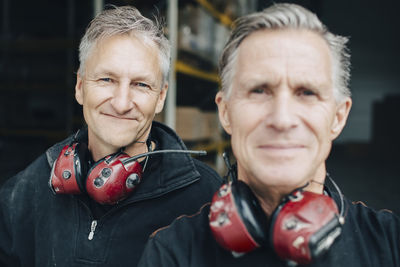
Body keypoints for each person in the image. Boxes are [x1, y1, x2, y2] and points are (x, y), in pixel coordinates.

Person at [138, 3, 400, 267]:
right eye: (259, 91)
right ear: (226, 113)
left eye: (307, 92)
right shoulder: (172, 254)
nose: (282, 119)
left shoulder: (390, 243)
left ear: (338, 117)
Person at [0, 5, 222, 267]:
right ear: (80, 87)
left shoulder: (205, 198)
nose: (121, 103)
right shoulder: (26, 193)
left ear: (161, 97)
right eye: (106, 79)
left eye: (140, 84)